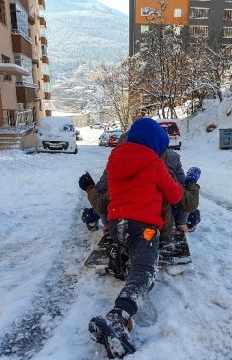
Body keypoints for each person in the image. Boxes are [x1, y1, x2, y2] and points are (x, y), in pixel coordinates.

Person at [85, 118, 184, 358]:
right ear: (154, 143)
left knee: (129, 248)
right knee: (145, 269)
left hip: (117, 225)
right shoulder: (153, 162)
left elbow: (106, 190)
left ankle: (119, 254)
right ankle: (119, 315)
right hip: (145, 227)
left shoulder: (114, 159)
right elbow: (175, 195)